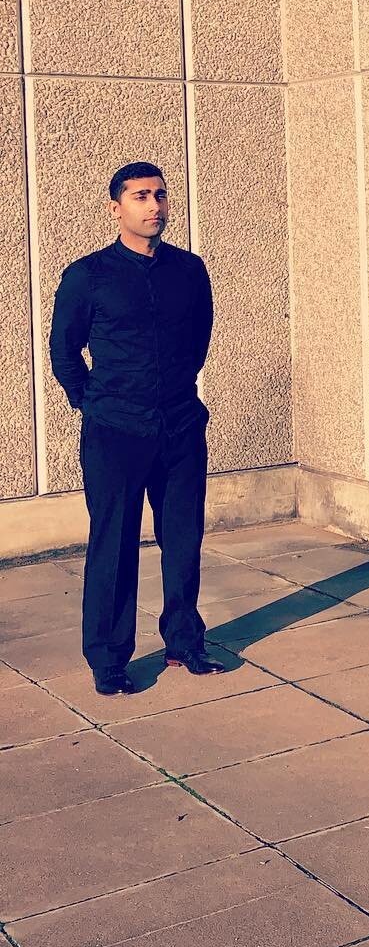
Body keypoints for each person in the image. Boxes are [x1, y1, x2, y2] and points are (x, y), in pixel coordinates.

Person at [49, 162, 229, 695]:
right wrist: (95, 404)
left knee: (183, 540)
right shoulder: (88, 275)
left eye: (160, 196)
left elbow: (198, 341)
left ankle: (185, 643)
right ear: (116, 208)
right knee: (115, 543)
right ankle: (108, 660)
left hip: (179, 427)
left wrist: (173, 393)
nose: (153, 206)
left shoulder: (189, 271)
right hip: (115, 432)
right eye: (140, 197)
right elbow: (64, 352)